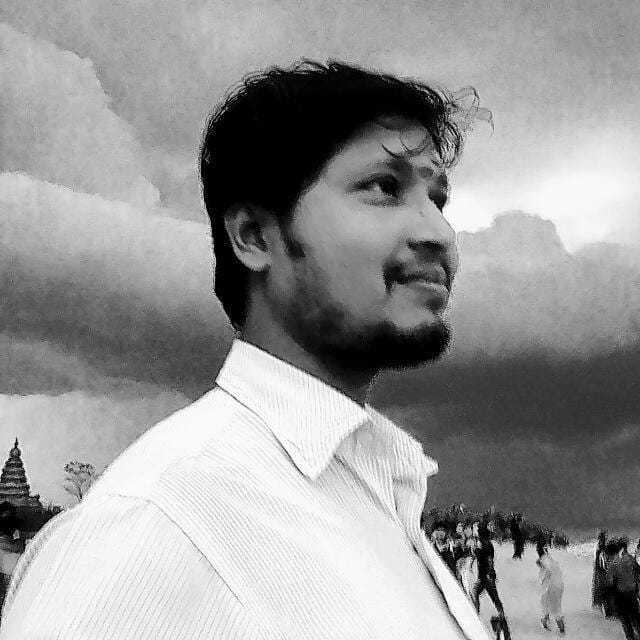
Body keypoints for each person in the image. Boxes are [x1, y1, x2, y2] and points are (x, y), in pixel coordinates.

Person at [0, 61, 490, 639]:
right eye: (385, 188)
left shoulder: (379, 491)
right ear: (255, 237)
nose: (439, 233)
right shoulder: (157, 528)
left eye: (438, 199)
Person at [608, 536, 640, 640]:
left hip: (621, 594)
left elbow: (610, 582)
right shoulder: (630, 558)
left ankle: (631, 637)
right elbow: (638, 571)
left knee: (625, 618)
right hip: (632, 592)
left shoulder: (613, 563)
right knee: (636, 616)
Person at [536, 539, 565, 635]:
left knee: (548, 605)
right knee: (554, 606)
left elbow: (548, 571)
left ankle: (558, 628)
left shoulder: (544, 560)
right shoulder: (550, 559)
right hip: (558, 585)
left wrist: (542, 568)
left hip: (551, 586)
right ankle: (555, 626)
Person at [592, 529, 608, 609]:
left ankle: (597, 604)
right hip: (601, 571)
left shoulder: (597, 546)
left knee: (597, 586)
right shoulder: (602, 548)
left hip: (597, 569)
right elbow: (604, 563)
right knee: (602, 587)